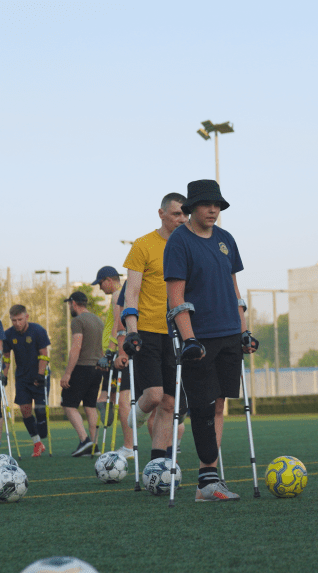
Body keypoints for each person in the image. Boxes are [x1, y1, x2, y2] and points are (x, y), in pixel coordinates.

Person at [164, 179, 258, 501]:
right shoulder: (179, 241)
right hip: (200, 337)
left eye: (218, 205)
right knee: (203, 407)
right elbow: (175, 296)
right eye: (207, 205)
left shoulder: (225, 239)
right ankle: (207, 483)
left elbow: (234, 290)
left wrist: (244, 329)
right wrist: (189, 339)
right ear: (192, 208)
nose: (214, 210)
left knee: (219, 404)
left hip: (229, 332)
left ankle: (210, 477)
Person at [119, 192, 188, 462]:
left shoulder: (188, 245)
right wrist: (131, 329)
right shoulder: (143, 245)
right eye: (176, 214)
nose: (182, 219)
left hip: (177, 334)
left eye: (185, 214)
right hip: (147, 330)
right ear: (161, 214)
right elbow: (131, 293)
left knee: (170, 403)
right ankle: (136, 416)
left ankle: (159, 462)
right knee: (155, 396)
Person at [92, 266, 134, 458]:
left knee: (123, 401)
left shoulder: (118, 295)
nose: (100, 288)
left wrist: (111, 352)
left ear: (109, 280)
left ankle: (129, 446)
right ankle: (128, 443)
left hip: (118, 353)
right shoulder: (117, 295)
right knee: (117, 399)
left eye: (100, 283)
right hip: (116, 352)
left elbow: (119, 324)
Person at [2, 305, 52, 457]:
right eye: (14, 320)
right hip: (22, 378)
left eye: (19, 319)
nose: (17, 323)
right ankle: (37, 443)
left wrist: (40, 374)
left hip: (39, 376)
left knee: (40, 411)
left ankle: (42, 430)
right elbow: (6, 356)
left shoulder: (38, 331)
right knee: (24, 409)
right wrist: (4, 374)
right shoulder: (8, 334)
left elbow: (44, 353)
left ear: (27, 317)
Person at [60, 291, 105, 456]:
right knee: (90, 406)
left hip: (82, 367)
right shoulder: (98, 320)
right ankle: (94, 446)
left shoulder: (77, 321)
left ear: (73, 303)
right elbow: (101, 348)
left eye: (69, 304)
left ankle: (84, 440)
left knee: (68, 404)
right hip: (97, 368)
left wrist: (67, 373)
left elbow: (76, 347)